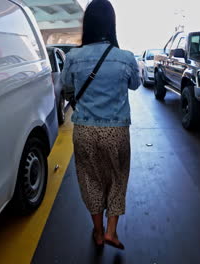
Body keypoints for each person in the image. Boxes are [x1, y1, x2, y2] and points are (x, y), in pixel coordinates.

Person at [61, 0, 140, 250]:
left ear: (88, 25)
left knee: (90, 180)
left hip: (84, 131)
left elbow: (66, 90)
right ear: (111, 24)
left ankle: (97, 232)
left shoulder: (73, 57)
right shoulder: (125, 58)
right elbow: (135, 85)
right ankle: (111, 232)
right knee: (117, 179)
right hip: (116, 131)